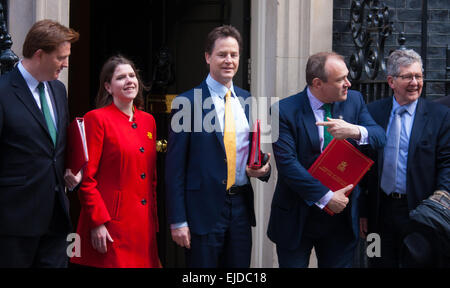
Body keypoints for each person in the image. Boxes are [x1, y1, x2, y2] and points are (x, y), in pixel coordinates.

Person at [267, 51, 386, 268]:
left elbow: (380, 137)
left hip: (341, 219)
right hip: (297, 215)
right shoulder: (282, 111)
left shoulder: (355, 101)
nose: (348, 84)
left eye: (347, 77)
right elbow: (287, 165)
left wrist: (354, 130)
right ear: (317, 83)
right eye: (340, 79)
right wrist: (326, 197)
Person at [165, 25, 271, 267]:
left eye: (234, 55)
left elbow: (249, 149)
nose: (229, 61)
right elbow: (175, 169)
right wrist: (178, 220)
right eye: (222, 54)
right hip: (203, 211)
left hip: (241, 209)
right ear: (207, 57)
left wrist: (264, 168)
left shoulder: (246, 99)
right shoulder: (187, 103)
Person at [0, 19, 81, 267]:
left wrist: (73, 170)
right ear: (39, 54)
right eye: (60, 57)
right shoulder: (3, 91)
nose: (66, 64)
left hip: (56, 218)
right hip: (14, 223)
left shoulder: (58, 90)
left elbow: (57, 147)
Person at [359, 49, 450, 268]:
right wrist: (363, 211)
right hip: (379, 213)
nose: (415, 82)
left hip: (421, 213)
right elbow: (362, 164)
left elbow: (447, 163)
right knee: (377, 261)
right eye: (407, 76)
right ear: (391, 81)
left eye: (418, 76)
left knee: (417, 264)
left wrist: (440, 203)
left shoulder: (439, 116)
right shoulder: (371, 113)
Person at [70, 55, 160, 268]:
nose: (129, 80)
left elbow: (151, 179)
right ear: (108, 87)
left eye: (132, 76)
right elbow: (87, 177)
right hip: (111, 226)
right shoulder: (97, 118)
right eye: (121, 78)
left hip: (143, 228)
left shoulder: (149, 121)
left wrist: (153, 223)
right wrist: (97, 222)